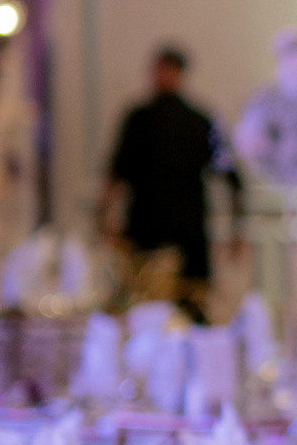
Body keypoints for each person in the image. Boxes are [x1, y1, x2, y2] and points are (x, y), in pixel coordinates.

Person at [101, 46, 242, 315]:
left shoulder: (200, 121)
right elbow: (116, 173)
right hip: (146, 226)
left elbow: (230, 176)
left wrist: (237, 231)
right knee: (143, 307)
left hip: (186, 229)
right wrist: (105, 220)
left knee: (191, 305)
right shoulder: (139, 119)